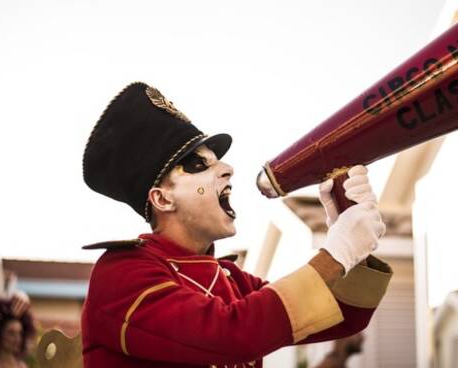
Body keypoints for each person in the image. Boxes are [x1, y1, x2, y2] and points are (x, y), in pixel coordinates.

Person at [80, 82, 393, 367]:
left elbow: (343, 317)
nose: (228, 169)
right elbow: (229, 336)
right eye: (198, 165)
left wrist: (352, 241)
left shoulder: (233, 279)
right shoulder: (121, 273)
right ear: (162, 199)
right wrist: (336, 253)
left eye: (218, 161)